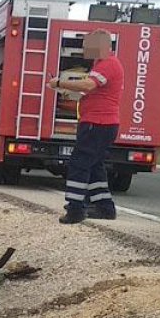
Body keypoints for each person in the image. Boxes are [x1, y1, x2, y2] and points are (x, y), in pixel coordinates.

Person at [47, 29, 123, 223]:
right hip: (100, 122)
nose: (84, 49)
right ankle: (104, 207)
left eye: (88, 46)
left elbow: (89, 85)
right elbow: (93, 89)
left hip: (98, 123)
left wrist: (60, 83)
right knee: (95, 166)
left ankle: (75, 209)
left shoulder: (108, 64)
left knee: (79, 164)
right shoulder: (101, 64)